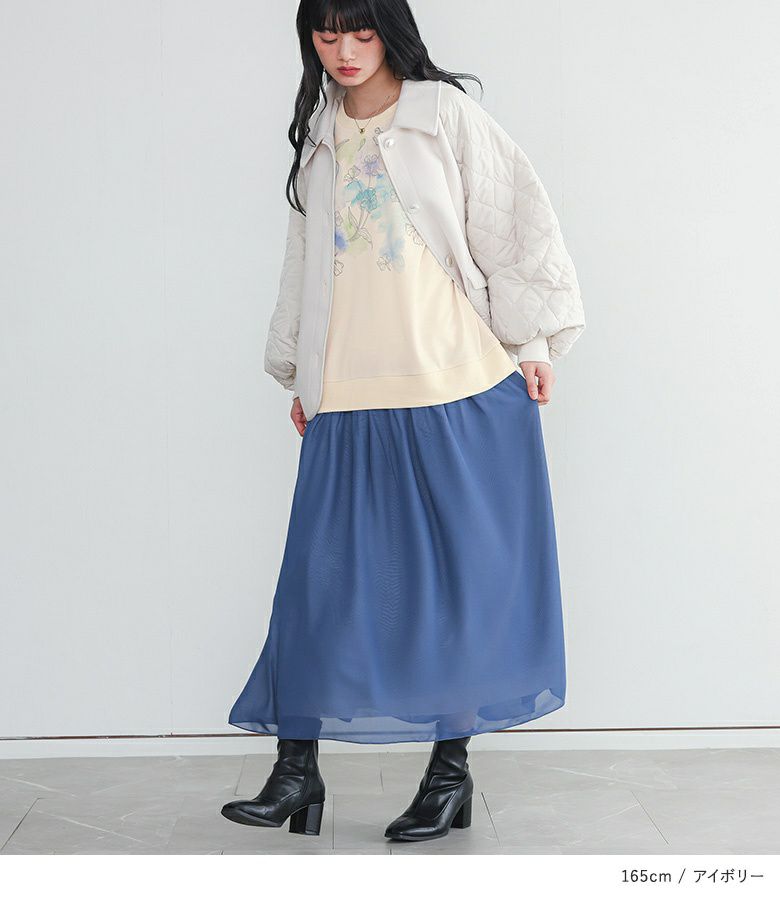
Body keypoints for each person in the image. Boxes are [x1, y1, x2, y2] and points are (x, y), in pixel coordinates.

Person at [222, 0, 585, 843]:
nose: (344, 50)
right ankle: (295, 771)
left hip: (459, 384)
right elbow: (304, 260)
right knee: (319, 586)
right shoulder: (320, 134)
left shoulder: (441, 114)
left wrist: (532, 341)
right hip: (350, 389)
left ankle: (448, 775)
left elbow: (514, 222)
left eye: (360, 31)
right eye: (326, 33)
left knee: (458, 587)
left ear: (389, 30)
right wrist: (302, 368)